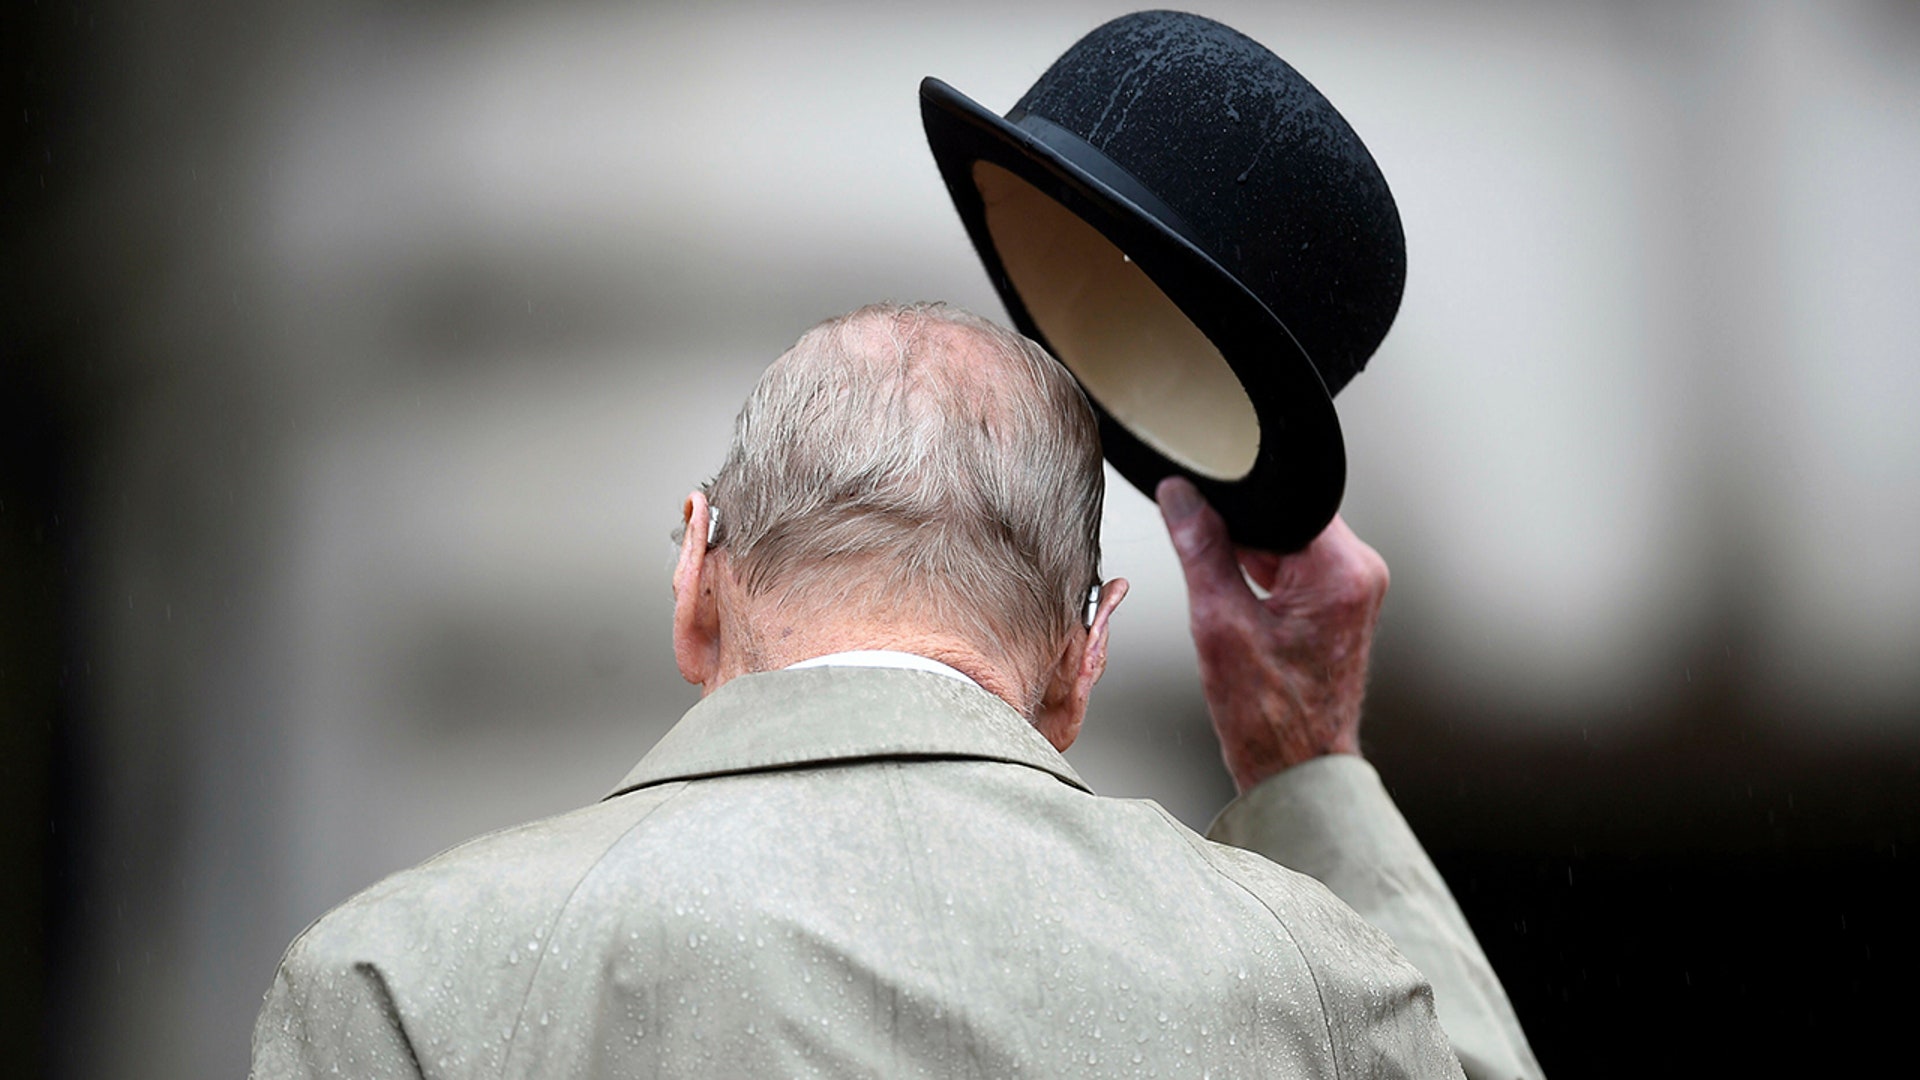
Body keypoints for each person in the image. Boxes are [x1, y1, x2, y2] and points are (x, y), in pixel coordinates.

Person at [251, 303, 1541, 1078]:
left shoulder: (405, 980)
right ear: (1083, 656)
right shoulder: (1301, 982)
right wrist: (1307, 762)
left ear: (698, 572)